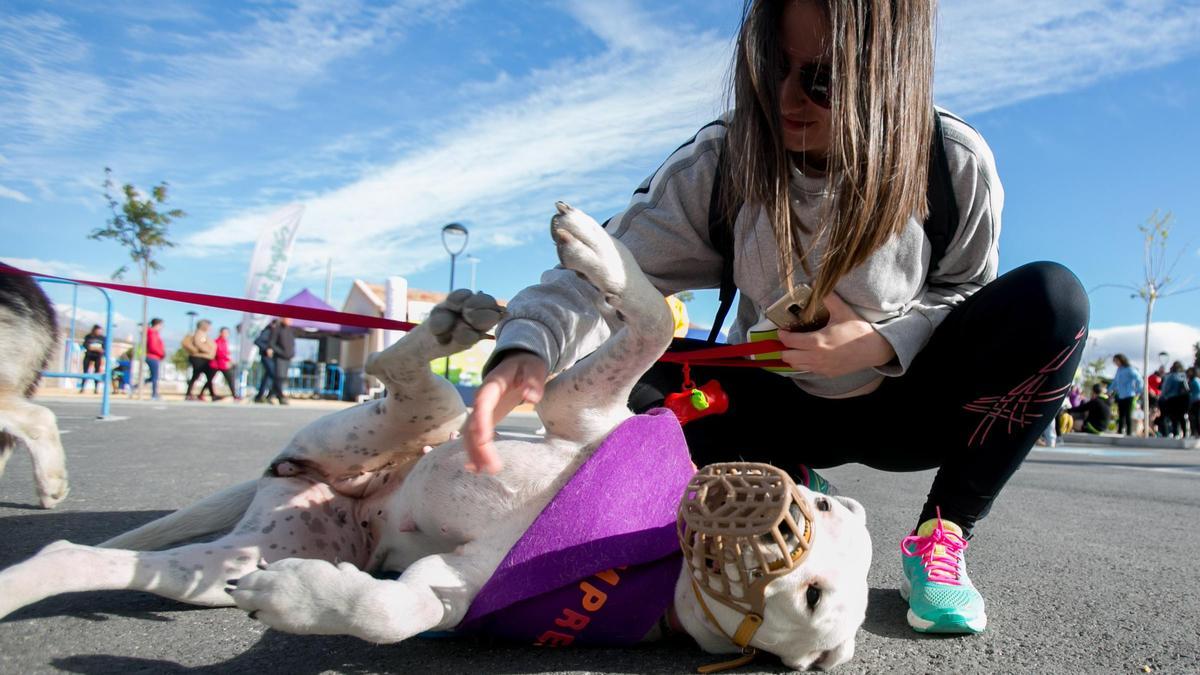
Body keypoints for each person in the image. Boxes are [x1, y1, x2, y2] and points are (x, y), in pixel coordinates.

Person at [467, 0, 1088, 637]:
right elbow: (600, 273)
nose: (788, 98)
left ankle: (941, 535)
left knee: (1053, 300)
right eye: (772, 69)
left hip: (906, 406)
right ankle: (784, 484)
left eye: (820, 78)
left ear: (885, 74)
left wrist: (879, 342)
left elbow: (968, 293)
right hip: (773, 410)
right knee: (639, 373)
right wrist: (527, 348)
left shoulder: (951, 160)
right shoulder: (722, 162)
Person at [183, 319, 217, 401]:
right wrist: (209, 350)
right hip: (200, 358)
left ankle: (210, 395)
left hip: (203, 358)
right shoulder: (199, 334)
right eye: (209, 326)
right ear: (204, 326)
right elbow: (199, 344)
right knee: (198, 376)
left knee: (204, 376)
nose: (210, 328)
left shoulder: (202, 334)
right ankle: (190, 394)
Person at [1108, 354, 1142, 436]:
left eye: (1116, 361)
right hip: (1121, 395)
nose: (1115, 363)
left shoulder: (1130, 369)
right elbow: (1115, 381)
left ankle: (1129, 432)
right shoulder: (1119, 370)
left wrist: (1138, 390)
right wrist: (1109, 390)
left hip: (1129, 395)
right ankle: (1120, 430)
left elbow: (1139, 379)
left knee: (1128, 414)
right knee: (1121, 414)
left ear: (1121, 360)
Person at [268, 317, 296, 405]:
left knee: (282, 377)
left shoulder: (291, 330)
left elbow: (292, 343)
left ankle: (270, 395)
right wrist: (280, 352)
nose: (290, 321)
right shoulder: (277, 329)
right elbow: (271, 343)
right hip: (279, 357)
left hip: (288, 357)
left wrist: (292, 353)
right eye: (287, 319)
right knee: (279, 376)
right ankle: (281, 396)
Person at [1159, 361, 1189, 438]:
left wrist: (1163, 396)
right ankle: (1185, 434)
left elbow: (1166, 389)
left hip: (1172, 399)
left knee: (1174, 417)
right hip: (1183, 399)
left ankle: (1176, 433)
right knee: (1182, 417)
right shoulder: (1184, 376)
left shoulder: (1170, 376)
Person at [210, 327, 240, 401]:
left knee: (230, 379)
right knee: (210, 380)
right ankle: (234, 395)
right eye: (225, 333)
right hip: (218, 364)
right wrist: (229, 360)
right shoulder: (217, 341)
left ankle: (234, 395)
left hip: (222, 364)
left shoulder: (225, 341)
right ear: (220, 333)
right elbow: (219, 352)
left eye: (227, 333)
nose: (226, 334)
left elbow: (225, 352)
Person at [253, 320, 278, 403]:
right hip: (266, 356)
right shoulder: (268, 331)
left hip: (271, 357)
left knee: (268, 376)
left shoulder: (274, 332)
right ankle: (268, 395)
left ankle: (261, 395)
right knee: (272, 374)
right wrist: (267, 348)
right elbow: (257, 341)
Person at [78, 324, 105, 393]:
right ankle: (82, 388)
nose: (99, 332)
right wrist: (95, 348)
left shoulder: (102, 338)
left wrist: (97, 349)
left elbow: (103, 349)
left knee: (97, 372)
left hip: (98, 356)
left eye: (100, 331)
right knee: (85, 371)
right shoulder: (88, 336)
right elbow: (86, 346)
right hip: (88, 355)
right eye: (98, 330)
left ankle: (96, 389)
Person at [144, 318, 165, 400]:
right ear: (157, 325)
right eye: (161, 325)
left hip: (154, 356)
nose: (162, 328)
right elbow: (153, 347)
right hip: (153, 356)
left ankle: (134, 387)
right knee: (155, 376)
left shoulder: (153, 333)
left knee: (153, 377)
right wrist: (162, 353)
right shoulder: (152, 333)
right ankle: (154, 394)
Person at [1147, 366, 1164, 436]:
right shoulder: (1154, 377)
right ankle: (1152, 431)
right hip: (1153, 399)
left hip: (1156, 399)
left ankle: (1154, 431)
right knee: (1153, 415)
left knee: (1155, 415)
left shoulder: (1159, 378)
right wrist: (1151, 391)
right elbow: (1147, 384)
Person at [1188, 367, 1200, 438]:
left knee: (1194, 417)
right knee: (1196, 417)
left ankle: (1196, 433)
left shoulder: (1194, 381)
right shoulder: (1198, 380)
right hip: (1196, 400)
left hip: (1195, 401)